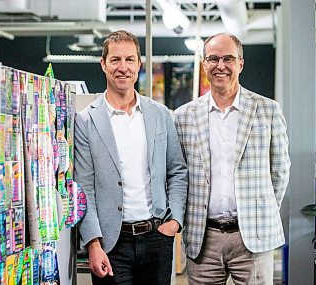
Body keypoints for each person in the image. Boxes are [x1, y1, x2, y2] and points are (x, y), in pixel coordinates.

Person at [174, 33, 291, 285]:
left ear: (241, 63)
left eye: (228, 58)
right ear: (204, 63)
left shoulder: (267, 110)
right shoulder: (183, 116)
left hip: (253, 236)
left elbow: (280, 171)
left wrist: (259, 211)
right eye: (213, 59)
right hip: (203, 237)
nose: (220, 66)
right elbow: (178, 175)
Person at [74, 30, 188, 285]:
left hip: (157, 236)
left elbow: (177, 171)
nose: (122, 67)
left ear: (139, 64)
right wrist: (93, 243)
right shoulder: (86, 120)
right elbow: (83, 187)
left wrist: (175, 221)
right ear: (103, 64)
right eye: (115, 60)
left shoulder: (160, 114)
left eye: (129, 60)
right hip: (112, 244)